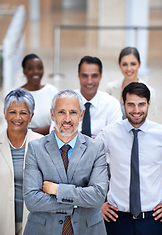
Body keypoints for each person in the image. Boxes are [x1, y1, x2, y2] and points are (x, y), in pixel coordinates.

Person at [23, 89, 108, 235]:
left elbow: (98, 196)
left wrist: (57, 190)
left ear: (81, 115)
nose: (67, 119)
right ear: (52, 114)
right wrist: (76, 203)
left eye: (73, 112)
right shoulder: (35, 148)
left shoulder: (96, 148)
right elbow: (32, 200)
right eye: (61, 112)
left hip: (88, 230)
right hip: (43, 230)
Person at [96, 82, 162, 235]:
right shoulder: (109, 134)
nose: (137, 110)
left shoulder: (160, 134)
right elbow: (84, 165)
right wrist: (97, 204)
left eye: (141, 104)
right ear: (123, 104)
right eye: (131, 104)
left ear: (149, 104)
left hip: (153, 220)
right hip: (116, 220)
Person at [0, 88, 42, 235]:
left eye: (23, 113)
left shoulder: (42, 145)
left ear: (31, 116)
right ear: (5, 114)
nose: (17, 117)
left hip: (34, 224)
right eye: (12, 112)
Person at [77, 55, 122, 138]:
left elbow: (114, 138)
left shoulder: (112, 105)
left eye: (94, 76)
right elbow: (57, 134)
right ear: (78, 76)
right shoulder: (65, 101)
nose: (89, 81)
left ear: (100, 76)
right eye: (85, 76)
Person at [106, 47, 156, 120]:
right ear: (119, 65)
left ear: (139, 64)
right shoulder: (110, 88)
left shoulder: (150, 91)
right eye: (124, 64)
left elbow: (150, 122)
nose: (129, 69)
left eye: (133, 64)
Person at [21, 53, 58, 135]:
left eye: (40, 68)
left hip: (51, 141)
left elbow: (59, 122)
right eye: (30, 68)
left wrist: (30, 132)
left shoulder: (52, 91)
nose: (36, 71)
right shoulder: (17, 95)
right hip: (26, 143)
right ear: (24, 71)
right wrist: (49, 128)